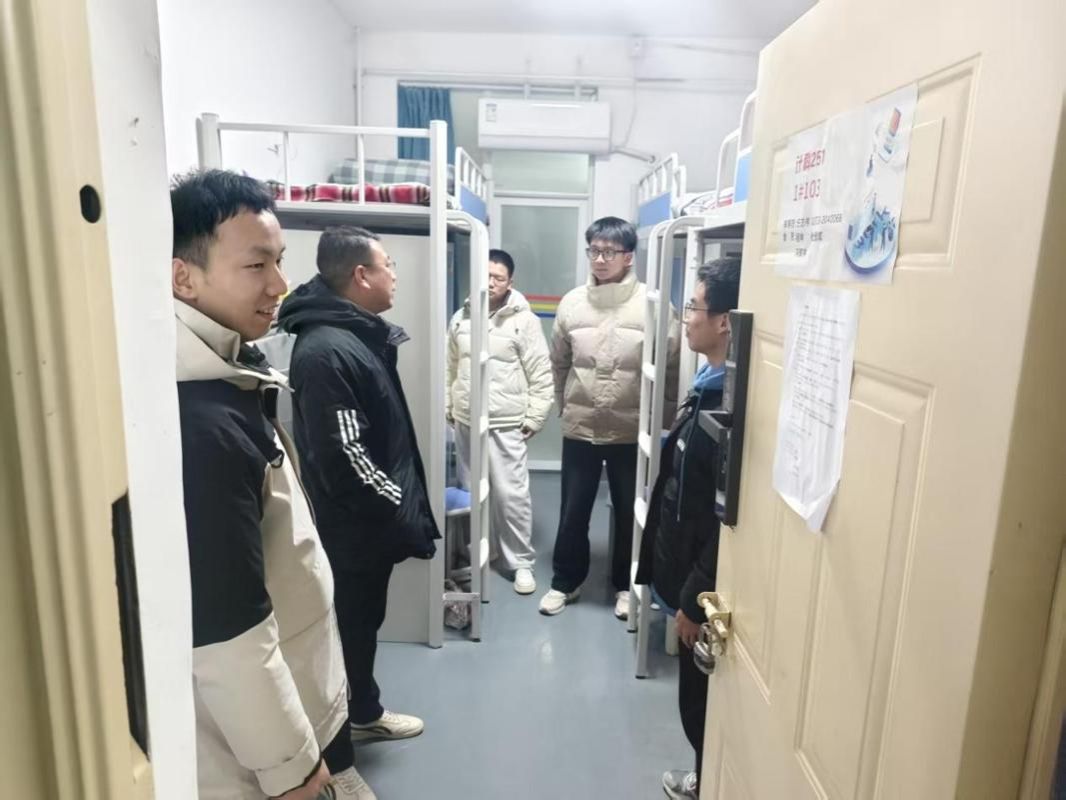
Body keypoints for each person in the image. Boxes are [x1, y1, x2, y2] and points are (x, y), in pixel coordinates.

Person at [171, 170, 373, 799]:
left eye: (279, 261)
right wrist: (291, 769)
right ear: (184, 277)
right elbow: (227, 630)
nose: (280, 284)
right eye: (257, 265)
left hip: (299, 686)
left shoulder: (231, 368)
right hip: (260, 750)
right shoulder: (199, 421)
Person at [278, 225, 436, 745]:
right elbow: (345, 457)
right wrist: (396, 501)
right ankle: (337, 748)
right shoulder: (326, 350)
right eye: (389, 265)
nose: (395, 275)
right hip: (354, 527)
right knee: (346, 629)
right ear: (362, 275)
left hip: (367, 525)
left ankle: (363, 711)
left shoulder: (357, 336)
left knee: (363, 623)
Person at [635, 257, 741, 800]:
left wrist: (694, 598)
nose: (686, 319)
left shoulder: (730, 407)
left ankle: (708, 784)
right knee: (695, 700)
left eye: (694, 308)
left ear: (725, 322)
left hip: (700, 587)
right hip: (685, 573)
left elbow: (721, 522)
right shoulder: (708, 386)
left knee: (700, 705)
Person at [539, 216, 678, 619]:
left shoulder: (653, 304)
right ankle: (565, 582)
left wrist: (661, 420)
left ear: (629, 256)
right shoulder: (572, 302)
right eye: (594, 250)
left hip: (630, 430)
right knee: (573, 510)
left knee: (629, 510)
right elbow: (558, 363)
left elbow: (670, 368)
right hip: (581, 427)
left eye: (609, 252)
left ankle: (624, 585)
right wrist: (565, 406)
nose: (599, 259)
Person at [446, 249, 553, 595]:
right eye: (486, 275)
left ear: (510, 282)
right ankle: (478, 553)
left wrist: (536, 415)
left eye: (499, 277)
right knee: (471, 492)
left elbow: (541, 372)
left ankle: (519, 562)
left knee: (510, 495)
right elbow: (450, 367)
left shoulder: (524, 320)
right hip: (466, 419)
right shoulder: (461, 317)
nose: (491, 282)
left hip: (506, 421)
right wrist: (449, 405)